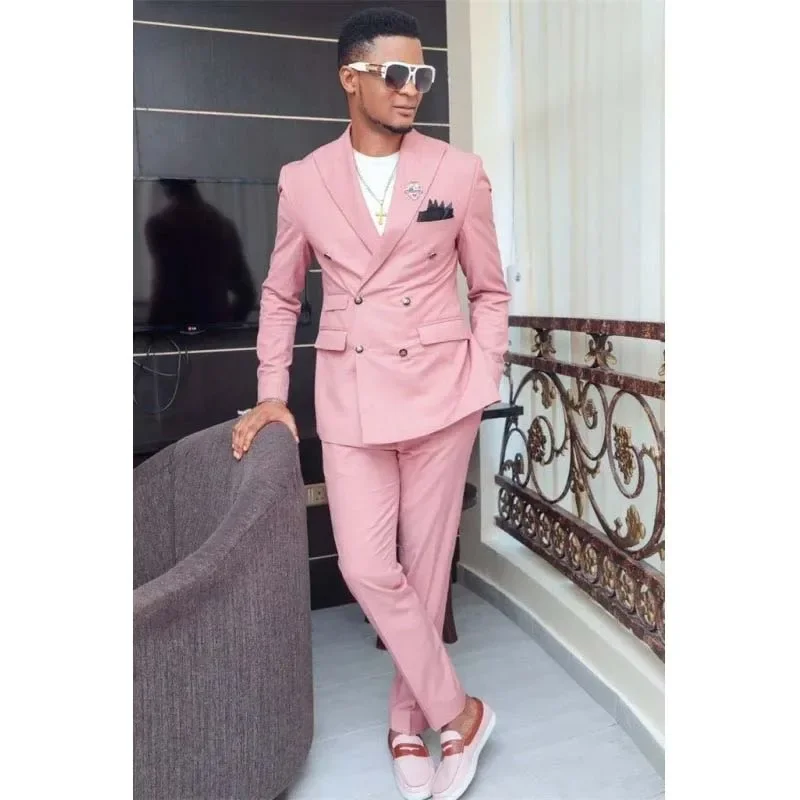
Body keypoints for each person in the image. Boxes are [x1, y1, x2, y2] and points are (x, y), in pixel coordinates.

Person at [232, 8, 510, 799]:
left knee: (423, 570)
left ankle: (404, 722)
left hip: (440, 395)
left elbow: (490, 290)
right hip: (350, 398)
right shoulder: (304, 179)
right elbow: (280, 296)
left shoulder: (457, 171)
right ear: (350, 79)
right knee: (364, 565)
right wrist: (271, 394)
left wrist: (482, 373)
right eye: (396, 74)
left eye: (422, 74)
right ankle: (461, 712)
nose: (412, 88)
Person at [145, 178, 255, 329]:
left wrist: (149, 334)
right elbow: (247, 295)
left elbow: (164, 289)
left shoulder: (160, 225)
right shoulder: (224, 226)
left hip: (171, 332)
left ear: (167, 188)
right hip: (215, 332)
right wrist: (226, 327)